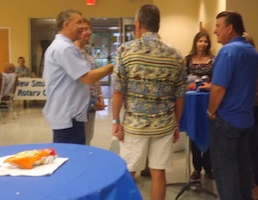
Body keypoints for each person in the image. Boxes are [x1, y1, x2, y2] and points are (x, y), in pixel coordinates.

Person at [111, 4, 187, 200]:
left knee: (128, 172)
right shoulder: (176, 54)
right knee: (158, 172)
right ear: (158, 25)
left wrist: (115, 121)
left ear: (138, 24)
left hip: (135, 126)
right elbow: (180, 96)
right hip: (164, 125)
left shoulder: (125, 50)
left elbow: (118, 91)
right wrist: (176, 124)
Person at [207, 11, 258, 200]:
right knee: (243, 171)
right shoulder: (253, 52)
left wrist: (211, 111)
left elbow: (218, 88)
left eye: (218, 26)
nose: (215, 31)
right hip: (246, 120)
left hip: (227, 121)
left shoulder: (228, 51)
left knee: (226, 174)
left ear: (230, 28)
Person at [43, 10, 113, 145]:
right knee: (71, 157)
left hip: (71, 114)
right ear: (66, 24)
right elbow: (87, 78)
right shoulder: (64, 49)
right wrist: (113, 66)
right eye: (79, 22)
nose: (82, 27)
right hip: (68, 117)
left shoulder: (64, 47)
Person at [185, 31, 214, 180]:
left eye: (205, 41)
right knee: (193, 130)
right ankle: (196, 167)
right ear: (195, 42)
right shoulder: (188, 60)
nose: (202, 44)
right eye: (200, 41)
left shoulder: (214, 60)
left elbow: (218, 81)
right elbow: (183, 80)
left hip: (209, 101)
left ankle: (209, 167)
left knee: (209, 131)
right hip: (192, 102)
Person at [74, 18, 106, 145]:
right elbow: (77, 82)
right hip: (79, 104)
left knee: (88, 137)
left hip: (92, 102)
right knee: (78, 141)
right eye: (85, 29)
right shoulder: (71, 52)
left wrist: (99, 95)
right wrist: (91, 102)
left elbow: (94, 74)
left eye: (89, 29)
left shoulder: (87, 51)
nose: (89, 32)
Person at [244, 32, 258, 200]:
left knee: (252, 149)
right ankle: (250, 184)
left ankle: (257, 188)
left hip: (253, 108)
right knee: (247, 149)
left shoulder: (254, 57)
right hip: (247, 108)